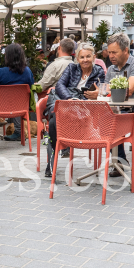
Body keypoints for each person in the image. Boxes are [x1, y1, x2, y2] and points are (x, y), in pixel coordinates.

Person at [86, 34, 134, 174]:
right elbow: (109, 93)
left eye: (115, 52)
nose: (111, 56)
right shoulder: (112, 69)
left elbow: (128, 89)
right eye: (109, 52)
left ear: (126, 50)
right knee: (107, 119)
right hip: (123, 108)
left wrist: (103, 90)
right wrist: (101, 93)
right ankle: (119, 161)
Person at [44, 43, 106, 177]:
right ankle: (53, 157)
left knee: (55, 121)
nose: (85, 60)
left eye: (88, 56)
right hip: (67, 106)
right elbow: (60, 85)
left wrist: (98, 93)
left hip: (86, 110)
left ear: (93, 57)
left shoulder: (98, 71)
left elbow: (103, 90)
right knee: (54, 121)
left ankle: (58, 151)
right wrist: (69, 99)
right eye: (82, 57)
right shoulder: (71, 68)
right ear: (77, 58)